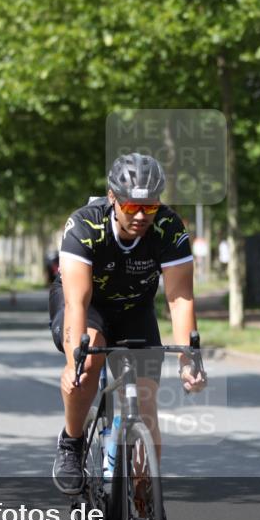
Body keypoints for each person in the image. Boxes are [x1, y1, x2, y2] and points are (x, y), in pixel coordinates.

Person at [49, 153, 208, 495]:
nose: (140, 216)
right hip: (89, 306)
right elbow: (77, 300)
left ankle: (143, 499)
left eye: (149, 207)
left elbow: (180, 299)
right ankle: (72, 442)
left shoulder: (169, 229)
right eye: (131, 206)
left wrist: (188, 362)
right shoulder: (84, 226)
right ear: (112, 199)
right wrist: (72, 362)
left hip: (136, 309)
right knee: (87, 365)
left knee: (146, 402)